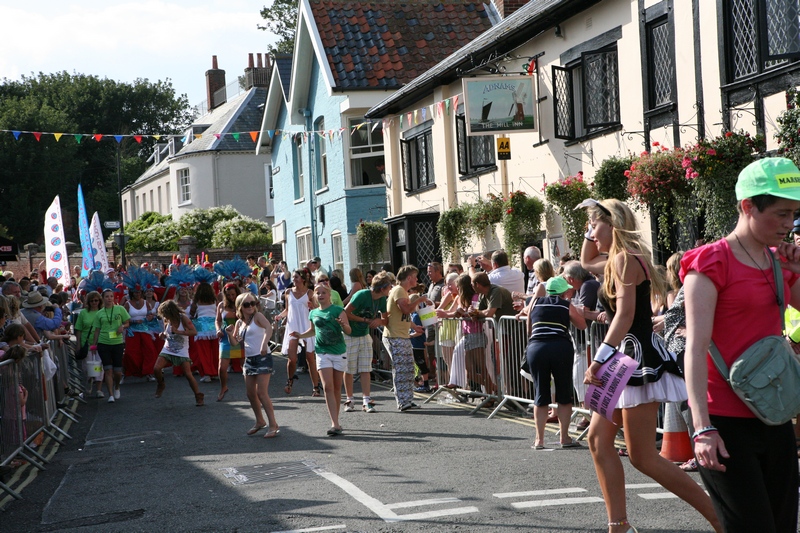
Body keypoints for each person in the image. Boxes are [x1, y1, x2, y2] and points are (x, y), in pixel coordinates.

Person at [580, 198, 720, 533]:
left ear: (612, 223)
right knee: (598, 440)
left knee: (642, 456)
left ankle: (720, 516)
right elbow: (586, 261)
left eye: (595, 225)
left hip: (634, 358)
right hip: (623, 358)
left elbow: (626, 315)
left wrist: (599, 358)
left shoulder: (627, 259)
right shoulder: (615, 259)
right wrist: (591, 223)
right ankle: (619, 525)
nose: (591, 233)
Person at [683, 158, 800, 532]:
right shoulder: (710, 262)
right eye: (781, 214)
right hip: (723, 422)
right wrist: (702, 428)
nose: (789, 224)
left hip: (774, 412)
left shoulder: (779, 261)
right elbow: (695, 347)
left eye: (794, 214)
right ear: (748, 206)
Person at [526, 276, 586, 450]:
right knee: (563, 394)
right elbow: (582, 325)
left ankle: (539, 439)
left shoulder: (535, 303)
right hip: (560, 347)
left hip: (536, 348)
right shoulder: (565, 304)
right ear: (564, 292)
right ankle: (565, 437)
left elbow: (530, 327)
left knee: (540, 393)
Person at [291, 283, 351, 436]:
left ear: (329, 295)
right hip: (322, 352)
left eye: (324, 292)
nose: (321, 295)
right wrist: (300, 335)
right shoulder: (313, 313)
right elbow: (312, 331)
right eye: (318, 293)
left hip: (338, 352)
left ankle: (336, 420)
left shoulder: (338, 310)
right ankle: (334, 423)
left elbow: (349, 330)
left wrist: (343, 324)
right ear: (315, 297)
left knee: (337, 388)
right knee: (328, 387)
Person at [227, 293, 279, 438]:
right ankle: (259, 421)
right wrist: (230, 334)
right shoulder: (239, 323)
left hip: (263, 357)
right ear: (240, 307)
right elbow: (235, 343)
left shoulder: (258, 317)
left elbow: (269, 328)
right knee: (250, 394)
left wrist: (264, 344)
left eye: (253, 303)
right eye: (246, 304)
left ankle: (273, 424)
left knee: (262, 393)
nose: (250, 307)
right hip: (249, 360)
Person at [383, 265, 430, 411]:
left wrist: (414, 326)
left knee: (409, 369)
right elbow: (406, 309)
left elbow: (403, 314)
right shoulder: (398, 290)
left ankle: (408, 399)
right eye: (415, 276)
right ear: (409, 278)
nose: (417, 279)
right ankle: (403, 402)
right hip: (394, 336)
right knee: (401, 369)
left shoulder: (402, 291)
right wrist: (420, 299)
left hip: (402, 336)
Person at [343, 272, 390, 413]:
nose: (390, 289)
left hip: (364, 335)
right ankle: (350, 399)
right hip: (350, 334)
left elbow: (385, 320)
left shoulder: (382, 299)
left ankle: (366, 400)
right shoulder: (362, 295)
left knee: (365, 368)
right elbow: (345, 312)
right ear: (382, 288)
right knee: (349, 369)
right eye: (389, 287)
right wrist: (365, 320)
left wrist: (379, 321)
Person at [278, 269, 321, 396]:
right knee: (292, 359)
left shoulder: (309, 293)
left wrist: (312, 307)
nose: (294, 280)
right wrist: (280, 316)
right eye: (293, 277)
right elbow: (287, 309)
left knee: (310, 358)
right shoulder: (288, 292)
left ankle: (316, 387)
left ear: (303, 279)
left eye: (296, 277)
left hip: (306, 326)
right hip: (293, 327)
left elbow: (316, 309)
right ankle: (290, 381)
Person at [153, 300, 203, 406]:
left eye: (165, 314)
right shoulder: (167, 319)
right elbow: (167, 333)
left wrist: (179, 332)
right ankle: (161, 384)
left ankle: (198, 396)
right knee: (156, 368)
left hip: (182, 350)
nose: (164, 316)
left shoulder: (183, 318)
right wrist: (162, 335)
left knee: (188, 374)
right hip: (168, 348)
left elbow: (194, 332)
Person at [91, 289, 130, 404]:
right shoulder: (99, 313)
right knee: (108, 369)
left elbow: (128, 322)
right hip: (104, 343)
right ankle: (111, 395)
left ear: (114, 298)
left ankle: (117, 386)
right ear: (103, 299)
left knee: (117, 371)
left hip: (117, 343)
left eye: (111, 296)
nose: (109, 298)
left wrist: (123, 326)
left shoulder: (120, 309)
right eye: (107, 296)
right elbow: (97, 330)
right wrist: (94, 345)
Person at [189, 281, 220, 383]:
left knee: (203, 352)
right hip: (213, 327)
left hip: (201, 328)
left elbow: (192, 314)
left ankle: (207, 373)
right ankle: (215, 372)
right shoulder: (214, 300)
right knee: (215, 351)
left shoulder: (196, 302)